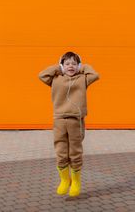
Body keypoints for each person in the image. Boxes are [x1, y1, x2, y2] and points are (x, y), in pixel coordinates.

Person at [38, 51, 100, 196]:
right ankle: (65, 180)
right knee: (61, 151)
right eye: (67, 63)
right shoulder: (56, 78)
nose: (70, 66)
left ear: (78, 65)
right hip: (59, 119)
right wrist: (58, 68)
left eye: (74, 63)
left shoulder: (83, 78)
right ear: (62, 65)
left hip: (75, 120)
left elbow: (95, 75)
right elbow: (42, 75)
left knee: (75, 152)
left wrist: (82, 67)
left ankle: (76, 181)